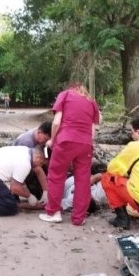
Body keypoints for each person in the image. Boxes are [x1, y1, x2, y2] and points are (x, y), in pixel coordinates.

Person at [39, 81, 101, 226]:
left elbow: (56, 122)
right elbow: (93, 129)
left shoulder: (65, 95)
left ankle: (54, 212)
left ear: (70, 87)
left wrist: (52, 141)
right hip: (86, 143)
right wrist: (87, 143)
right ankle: (79, 217)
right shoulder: (91, 101)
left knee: (56, 176)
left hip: (66, 140)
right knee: (83, 180)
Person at [13, 121, 52, 201]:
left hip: (34, 160)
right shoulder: (26, 142)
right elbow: (28, 165)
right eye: (45, 140)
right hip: (19, 165)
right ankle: (19, 193)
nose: (45, 142)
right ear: (39, 132)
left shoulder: (40, 137)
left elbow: (45, 152)